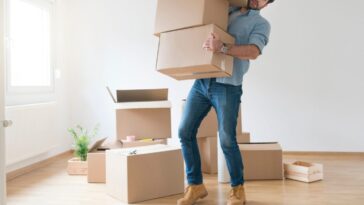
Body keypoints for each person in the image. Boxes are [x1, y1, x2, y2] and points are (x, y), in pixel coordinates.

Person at [177, 0, 275, 205]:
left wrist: (222, 47)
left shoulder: (261, 24)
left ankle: (238, 189)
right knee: (184, 131)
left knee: (227, 140)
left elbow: (253, 52)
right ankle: (195, 186)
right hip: (202, 81)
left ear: (267, 4)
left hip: (228, 86)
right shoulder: (223, 8)